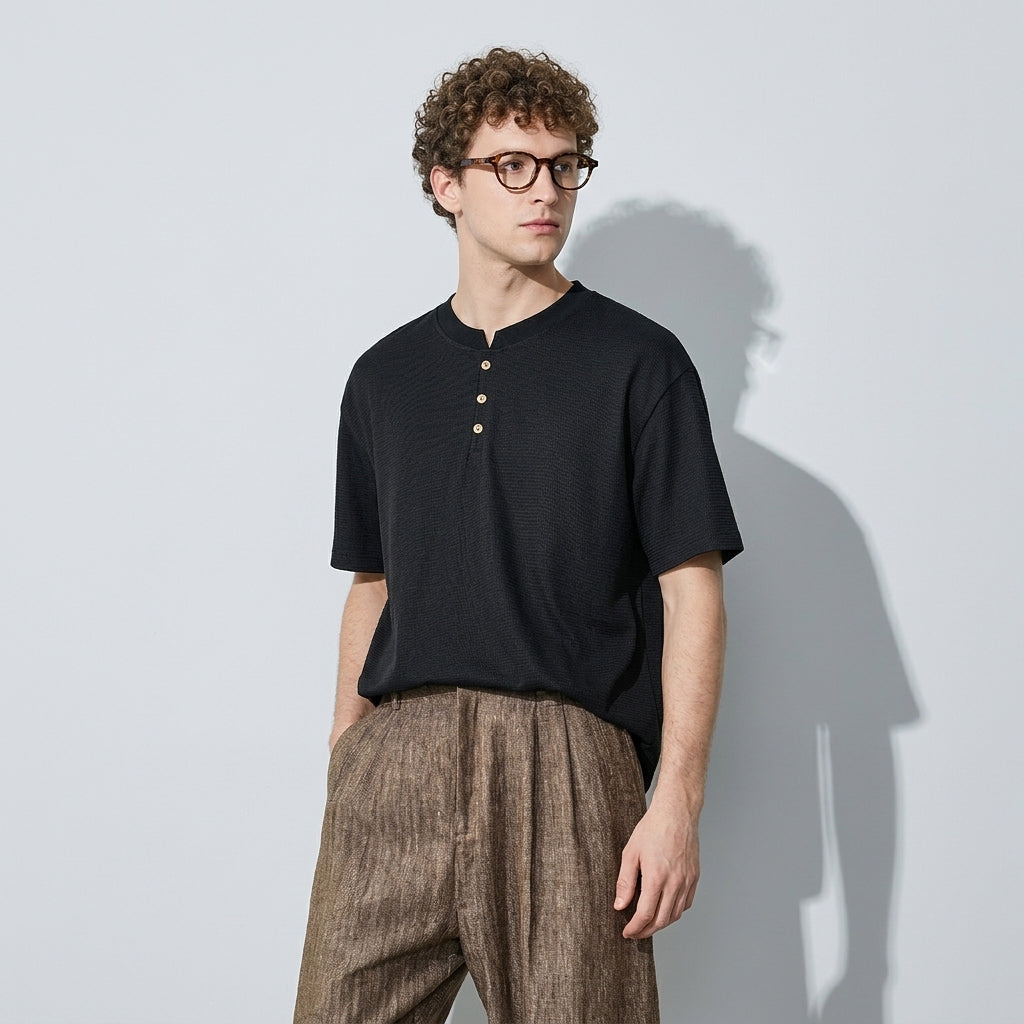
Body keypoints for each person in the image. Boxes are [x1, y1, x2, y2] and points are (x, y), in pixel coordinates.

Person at [293, 47, 743, 1024]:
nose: (545, 189)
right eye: (512, 165)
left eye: (564, 164)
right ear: (445, 184)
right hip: (397, 754)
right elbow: (372, 582)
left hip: (566, 761)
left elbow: (692, 589)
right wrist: (347, 754)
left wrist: (677, 801)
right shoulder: (384, 377)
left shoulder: (640, 362)